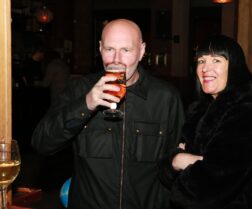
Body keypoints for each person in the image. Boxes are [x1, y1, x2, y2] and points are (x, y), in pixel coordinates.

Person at [31, 19, 185, 209]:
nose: (116, 60)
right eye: (110, 49)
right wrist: (86, 104)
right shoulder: (79, 90)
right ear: (100, 48)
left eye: (126, 50)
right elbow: (42, 143)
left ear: (142, 51)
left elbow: (174, 164)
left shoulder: (165, 97)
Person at [159, 35, 252, 209]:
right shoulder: (200, 110)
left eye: (216, 60)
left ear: (234, 67)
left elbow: (204, 190)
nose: (206, 68)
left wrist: (179, 160)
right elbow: (165, 169)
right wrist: (177, 160)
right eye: (201, 61)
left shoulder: (248, 112)